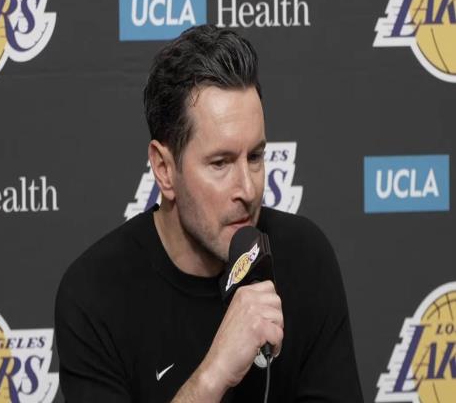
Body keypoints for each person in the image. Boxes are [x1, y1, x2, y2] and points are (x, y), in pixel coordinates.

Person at [55, 24, 363, 402]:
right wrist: (214, 374)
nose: (247, 189)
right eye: (220, 163)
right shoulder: (94, 294)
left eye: (255, 157)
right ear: (164, 169)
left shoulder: (305, 258)